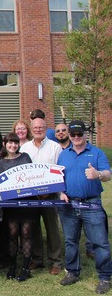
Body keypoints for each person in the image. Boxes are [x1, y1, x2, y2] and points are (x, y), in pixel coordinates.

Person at [57, 120, 111, 294]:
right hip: (69, 205)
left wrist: (98, 174)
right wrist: (61, 192)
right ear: (69, 136)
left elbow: (108, 174)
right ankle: (72, 272)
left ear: (86, 134)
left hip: (91, 204)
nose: (76, 137)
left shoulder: (96, 153)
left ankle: (104, 277)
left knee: (99, 242)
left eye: (80, 134)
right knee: (70, 241)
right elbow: (58, 178)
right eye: (73, 134)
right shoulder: (64, 155)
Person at [20, 117, 63, 275]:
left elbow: (60, 171)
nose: (38, 130)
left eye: (41, 127)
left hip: (50, 195)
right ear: (31, 128)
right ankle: (37, 259)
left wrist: (49, 190)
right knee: (34, 229)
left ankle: (56, 261)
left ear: (46, 128)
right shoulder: (25, 148)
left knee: (52, 228)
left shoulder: (55, 147)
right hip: (31, 196)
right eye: (35, 127)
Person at [0, 132, 35, 282]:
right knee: (12, 233)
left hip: (27, 201)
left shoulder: (25, 157)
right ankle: (12, 266)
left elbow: (32, 176)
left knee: (27, 232)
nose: (13, 145)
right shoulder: (0, 162)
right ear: (5, 144)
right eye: (10, 142)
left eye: (15, 143)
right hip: (10, 204)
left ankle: (26, 268)